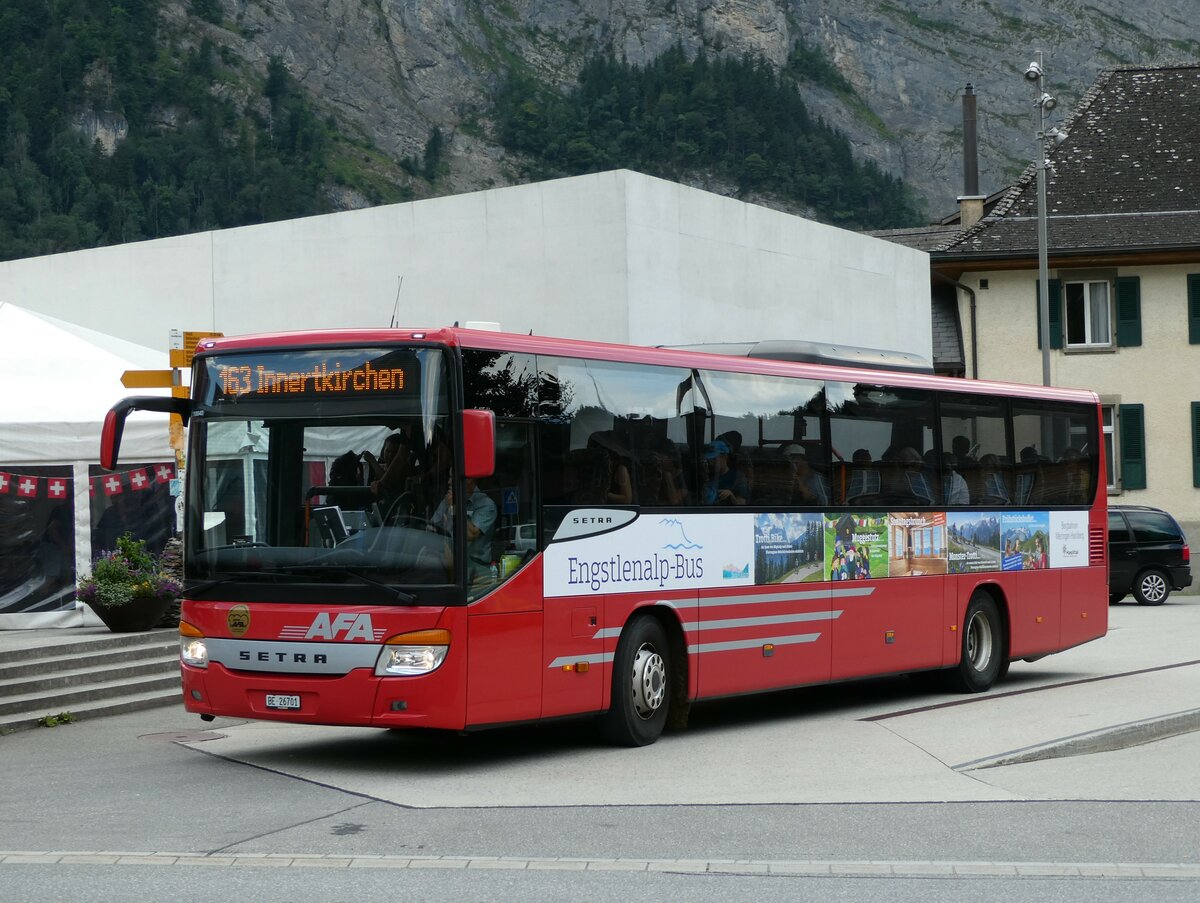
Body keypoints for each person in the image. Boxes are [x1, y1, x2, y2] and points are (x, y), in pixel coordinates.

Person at [429, 473, 497, 580]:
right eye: (449, 477)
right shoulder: (448, 500)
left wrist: (455, 506)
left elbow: (470, 535)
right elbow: (431, 527)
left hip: (475, 567)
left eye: (453, 477)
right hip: (447, 559)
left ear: (470, 479)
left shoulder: (486, 505)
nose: (449, 482)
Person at [702, 439, 747, 506]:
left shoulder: (737, 477)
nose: (711, 463)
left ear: (724, 457)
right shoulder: (707, 475)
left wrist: (731, 496)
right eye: (709, 460)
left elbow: (742, 505)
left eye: (714, 459)